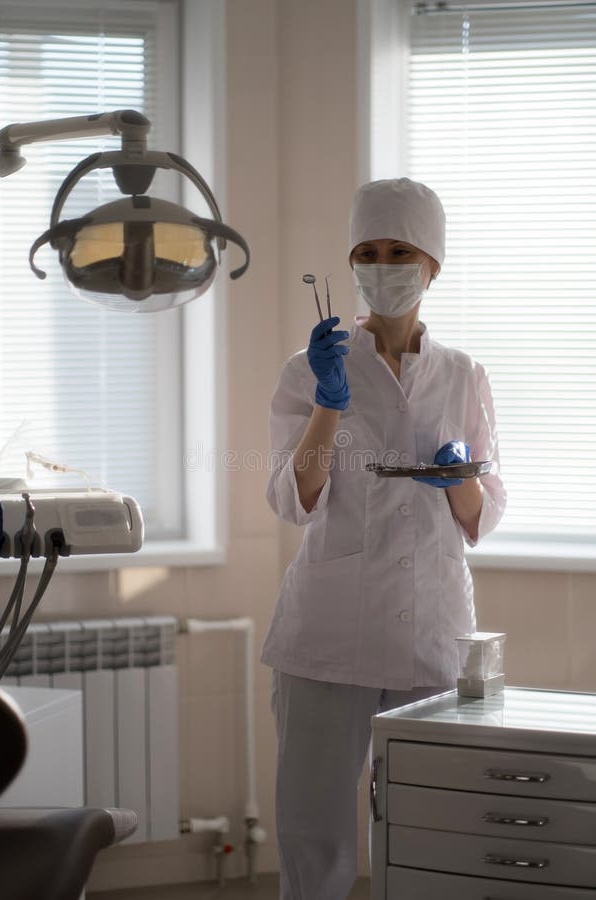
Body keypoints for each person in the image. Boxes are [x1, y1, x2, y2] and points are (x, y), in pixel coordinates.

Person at [261, 178, 507, 900]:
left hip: (432, 631)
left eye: (401, 250)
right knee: (316, 832)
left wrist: (457, 475)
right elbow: (293, 497)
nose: (382, 264)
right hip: (328, 630)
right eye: (367, 251)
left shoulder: (463, 375)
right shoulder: (308, 370)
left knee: (434, 822)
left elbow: (483, 511)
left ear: (432, 265)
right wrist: (327, 407)